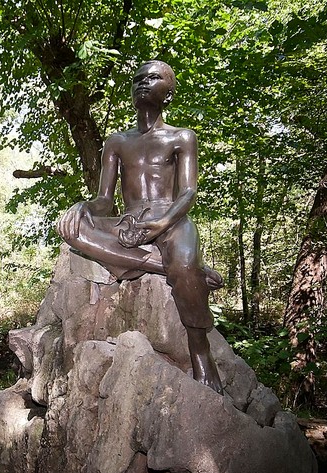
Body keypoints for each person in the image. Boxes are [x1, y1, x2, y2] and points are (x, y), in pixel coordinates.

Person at [56, 59, 224, 393]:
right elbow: (104, 199)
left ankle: (200, 352)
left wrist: (161, 224)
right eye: (137, 79)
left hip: (172, 217)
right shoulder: (117, 141)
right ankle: (171, 268)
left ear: (169, 93)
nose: (143, 83)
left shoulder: (181, 137)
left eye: (153, 78)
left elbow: (188, 192)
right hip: (129, 218)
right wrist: (83, 207)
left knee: (183, 256)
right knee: (71, 228)